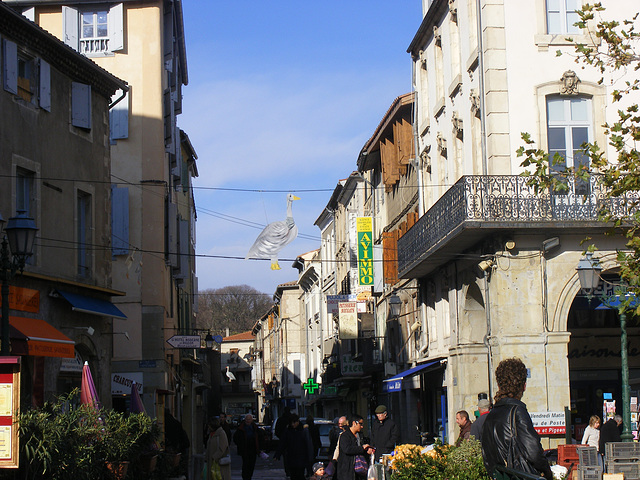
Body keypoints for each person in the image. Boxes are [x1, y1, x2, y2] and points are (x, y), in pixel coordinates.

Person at [481, 358, 552, 480]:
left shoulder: (490, 416)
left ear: (498, 385)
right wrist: (548, 472)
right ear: (524, 386)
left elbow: (486, 457)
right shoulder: (517, 412)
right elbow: (533, 452)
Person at [274, 414, 314, 480]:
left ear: (298, 421)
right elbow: (283, 443)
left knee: (300, 474)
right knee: (293, 475)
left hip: (301, 457)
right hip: (291, 457)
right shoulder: (288, 431)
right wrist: (277, 454)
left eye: (294, 422)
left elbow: (308, 444)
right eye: (291, 423)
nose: (293, 424)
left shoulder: (303, 430)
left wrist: (310, 458)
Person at [336, 414, 374, 480]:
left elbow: (361, 450)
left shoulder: (360, 436)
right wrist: (362, 448)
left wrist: (367, 450)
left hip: (360, 471)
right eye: (360, 424)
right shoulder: (345, 436)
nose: (362, 426)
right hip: (347, 471)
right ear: (354, 423)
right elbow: (347, 449)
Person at [233, 414, 260, 480]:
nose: (248, 421)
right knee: (245, 464)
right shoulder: (241, 428)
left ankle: (249, 477)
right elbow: (236, 438)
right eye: (247, 419)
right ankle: (245, 477)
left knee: (251, 465)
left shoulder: (254, 427)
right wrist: (240, 445)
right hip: (245, 449)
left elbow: (259, 437)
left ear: (251, 420)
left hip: (253, 449)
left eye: (249, 419)